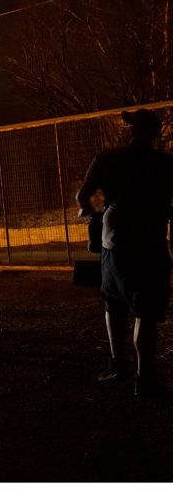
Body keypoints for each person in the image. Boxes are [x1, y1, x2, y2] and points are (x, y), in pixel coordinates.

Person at [76, 108, 173, 397]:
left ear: (131, 130)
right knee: (147, 311)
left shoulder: (107, 158)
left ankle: (118, 363)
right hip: (150, 242)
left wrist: (90, 212)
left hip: (114, 241)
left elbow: (83, 196)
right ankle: (145, 377)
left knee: (114, 303)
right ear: (156, 134)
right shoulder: (166, 164)